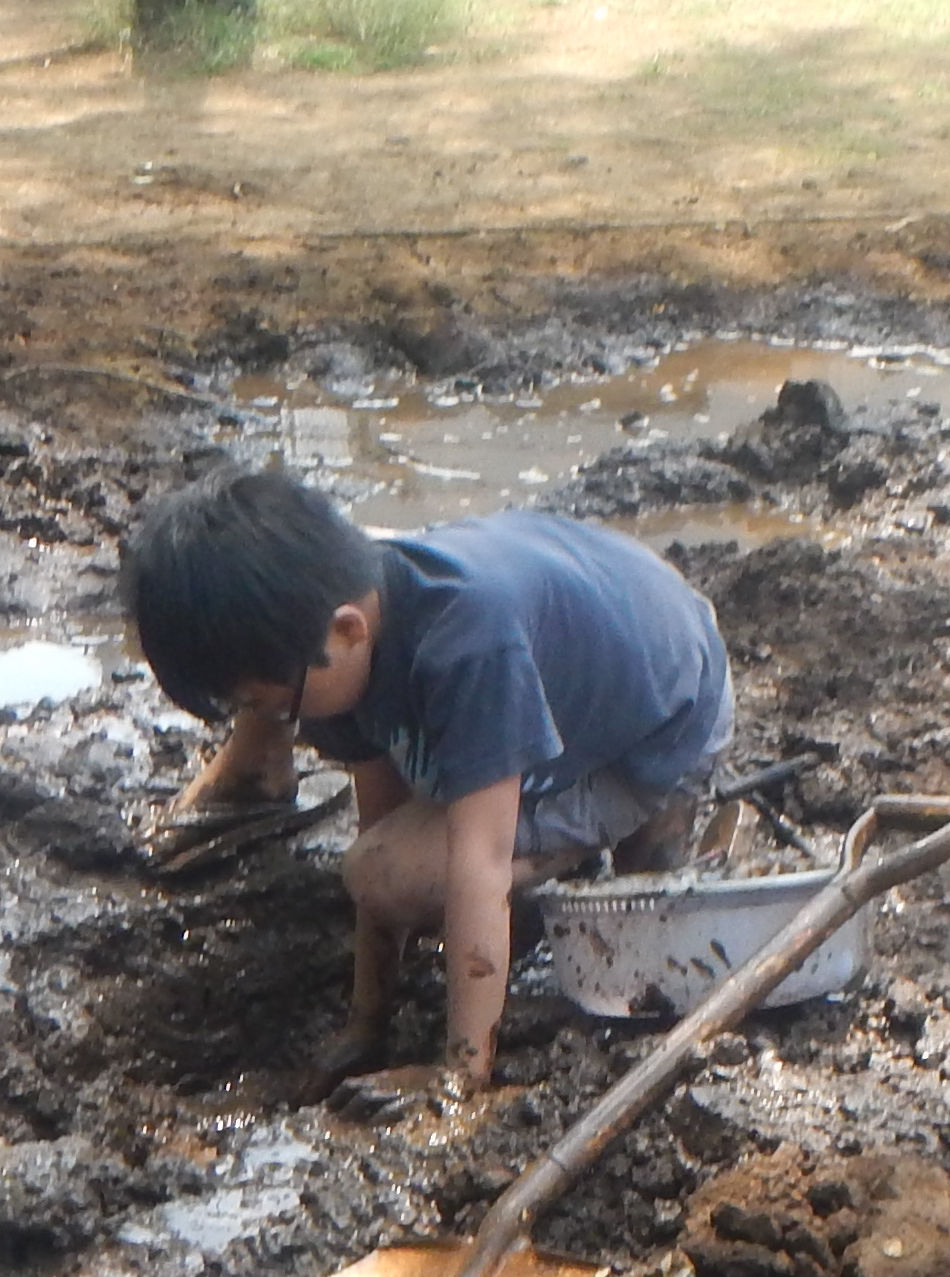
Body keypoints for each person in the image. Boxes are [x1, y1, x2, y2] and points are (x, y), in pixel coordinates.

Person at [127, 466, 731, 1096]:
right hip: (591, 658)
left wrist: (459, 1077)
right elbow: (378, 824)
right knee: (386, 864)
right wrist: (366, 1024)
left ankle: (600, 843)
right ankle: (532, 870)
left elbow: (476, 865)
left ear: (348, 631)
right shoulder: (341, 632)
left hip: (663, 727)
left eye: (271, 705)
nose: (279, 721)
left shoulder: (467, 642)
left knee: (397, 871)